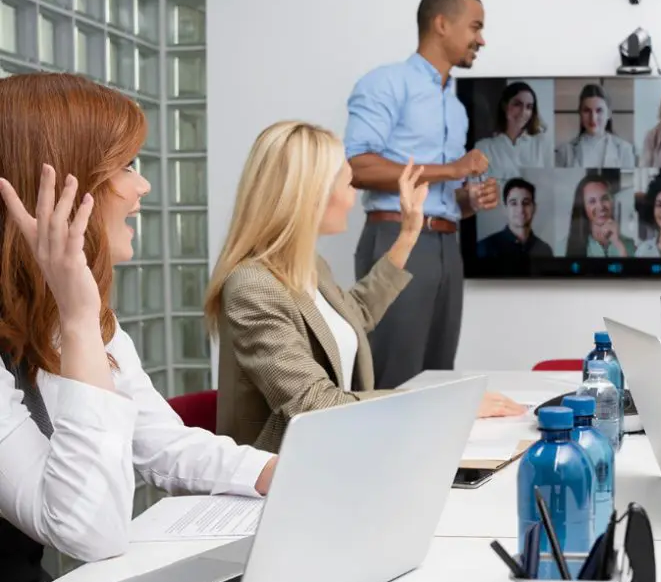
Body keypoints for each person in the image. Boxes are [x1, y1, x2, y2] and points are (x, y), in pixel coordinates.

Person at [0, 73, 277, 582]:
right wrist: (80, 319)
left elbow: (160, 443)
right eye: (126, 166)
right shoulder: (78, 315)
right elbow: (90, 533)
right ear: (59, 188)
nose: (142, 185)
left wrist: (276, 472)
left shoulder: (74, 311)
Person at [206, 123, 524, 452]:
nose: (353, 197)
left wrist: (408, 235)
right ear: (312, 194)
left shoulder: (309, 266)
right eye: (348, 184)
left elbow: (354, 313)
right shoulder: (253, 287)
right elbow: (315, 404)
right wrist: (448, 403)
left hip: (337, 453)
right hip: (283, 479)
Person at [345, 0, 500, 389]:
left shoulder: (456, 106)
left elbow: (442, 196)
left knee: (436, 379)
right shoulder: (386, 83)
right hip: (397, 240)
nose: (481, 40)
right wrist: (452, 170)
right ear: (442, 24)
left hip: (448, 245)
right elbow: (356, 166)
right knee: (393, 378)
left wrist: (468, 199)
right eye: (475, 27)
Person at [473, 81, 551, 174]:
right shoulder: (484, 148)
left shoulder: (542, 144)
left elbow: (550, 184)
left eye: (529, 107)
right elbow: (478, 185)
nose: (523, 112)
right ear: (504, 106)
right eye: (517, 104)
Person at [555, 84, 637, 170]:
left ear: (609, 114)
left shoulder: (624, 149)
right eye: (587, 111)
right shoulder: (565, 151)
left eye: (599, 111)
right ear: (580, 113)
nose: (593, 117)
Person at [476, 177, 554, 260]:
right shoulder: (485, 248)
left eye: (526, 203)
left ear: (534, 208)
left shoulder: (545, 250)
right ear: (505, 209)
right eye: (513, 203)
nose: (521, 210)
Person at [565, 174, 636, 257]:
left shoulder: (630, 245)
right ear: (583, 206)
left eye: (605, 198)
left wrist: (619, 245)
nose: (601, 206)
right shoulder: (564, 246)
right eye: (592, 201)